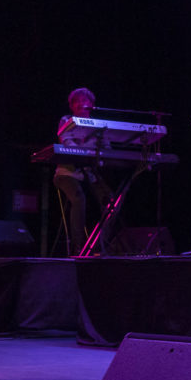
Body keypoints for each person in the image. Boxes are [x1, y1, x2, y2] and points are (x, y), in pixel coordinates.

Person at [51, 88, 113, 256]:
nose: (80, 103)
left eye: (84, 100)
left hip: (89, 174)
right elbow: (67, 143)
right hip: (67, 174)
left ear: (91, 104)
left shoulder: (99, 125)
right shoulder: (67, 120)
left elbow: (107, 147)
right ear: (71, 106)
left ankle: (99, 245)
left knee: (111, 203)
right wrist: (86, 151)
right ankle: (78, 248)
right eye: (76, 101)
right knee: (79, 198)